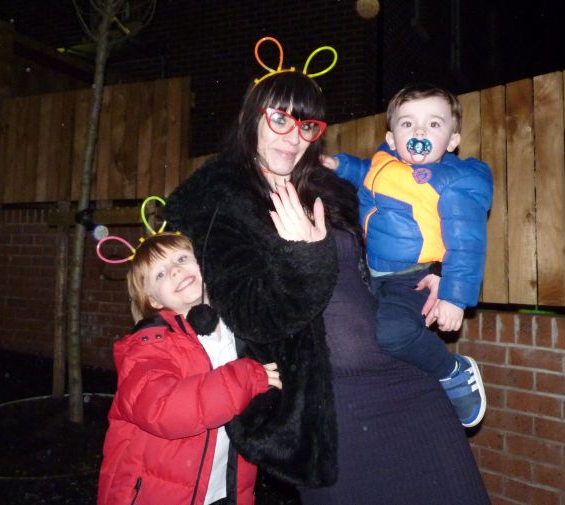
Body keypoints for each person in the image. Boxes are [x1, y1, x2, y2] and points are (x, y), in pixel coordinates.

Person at [163, 39, 490, 504]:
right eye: (279, 119)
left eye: (306, 126)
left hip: (408, 384)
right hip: (328, 410)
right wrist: (304, 257)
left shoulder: (330, 189)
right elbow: (252, 316)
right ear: (250, 117)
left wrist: (436, 269)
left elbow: (399, 243)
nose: (292, 136)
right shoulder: (218, 201)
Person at [323, 83, 493, 428]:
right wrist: (337, 164)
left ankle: (453, 371)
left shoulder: (454, 181)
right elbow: (363, 172)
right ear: (391, 138)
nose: (419, 131)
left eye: (433, 124)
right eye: (407, 124)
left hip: (414, 278)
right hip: (372, 273)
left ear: (453, 141)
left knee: (394, 334)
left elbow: (467, 242)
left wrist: (454, 297)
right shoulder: (384, 163)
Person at [97, 231, 282, 505]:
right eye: (160, 275)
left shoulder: (239, 328)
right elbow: (164, 408)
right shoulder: (147, 347)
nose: (175, 270)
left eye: (182, 258)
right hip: (157, 496)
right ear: (155, 302)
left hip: (228, 490)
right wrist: (245, 378)